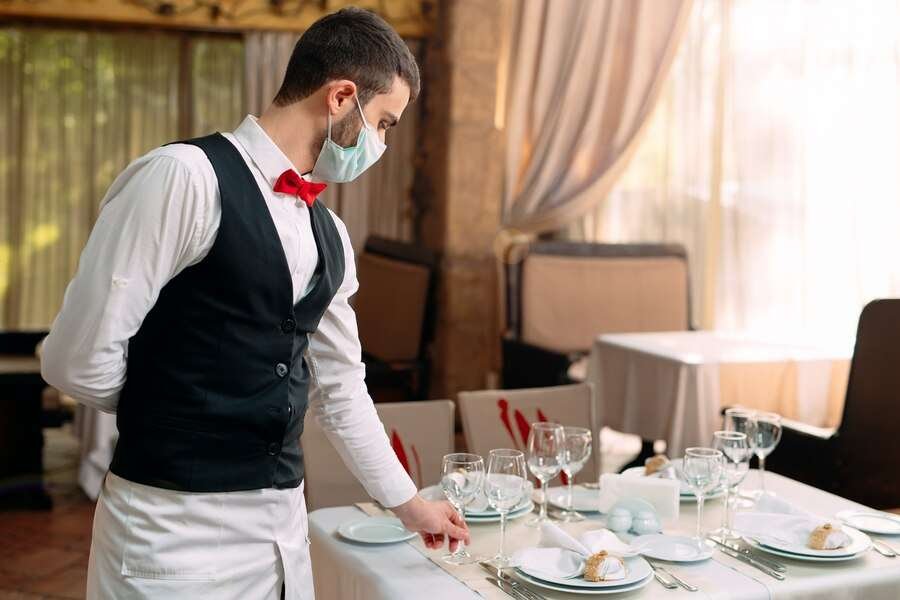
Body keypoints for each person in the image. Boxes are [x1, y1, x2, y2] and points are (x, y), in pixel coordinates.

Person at [40, 7, 467, 599]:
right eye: (386, 123)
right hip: (171, 534)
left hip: (281, 536)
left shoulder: (331, 234)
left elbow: (342, 389)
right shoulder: (182, 178)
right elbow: (75, 359)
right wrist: (173, 408)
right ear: (342, 97)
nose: (383, 144)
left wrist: (409, 505)